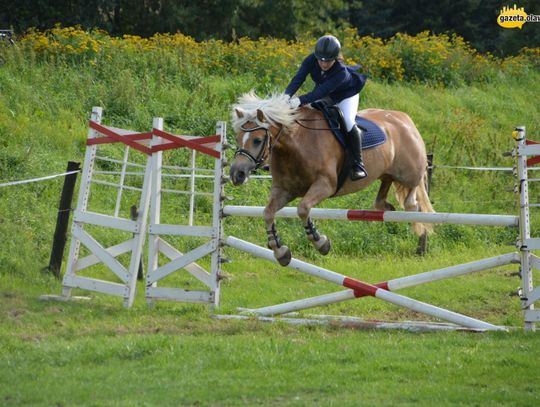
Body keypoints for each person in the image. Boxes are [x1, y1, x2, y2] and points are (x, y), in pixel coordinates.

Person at [284, 35, 368, 180]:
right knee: (304, 114)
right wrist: (285, 97)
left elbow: (319, 93)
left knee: (348, 121)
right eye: (320, 59)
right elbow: (298, 78)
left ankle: (358, 164)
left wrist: (298, 100)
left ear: (335, 58)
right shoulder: (311, 59)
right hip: (324, 90)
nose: (323, 63)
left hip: (346, 94)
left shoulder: (341, 72)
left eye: (328, 60)